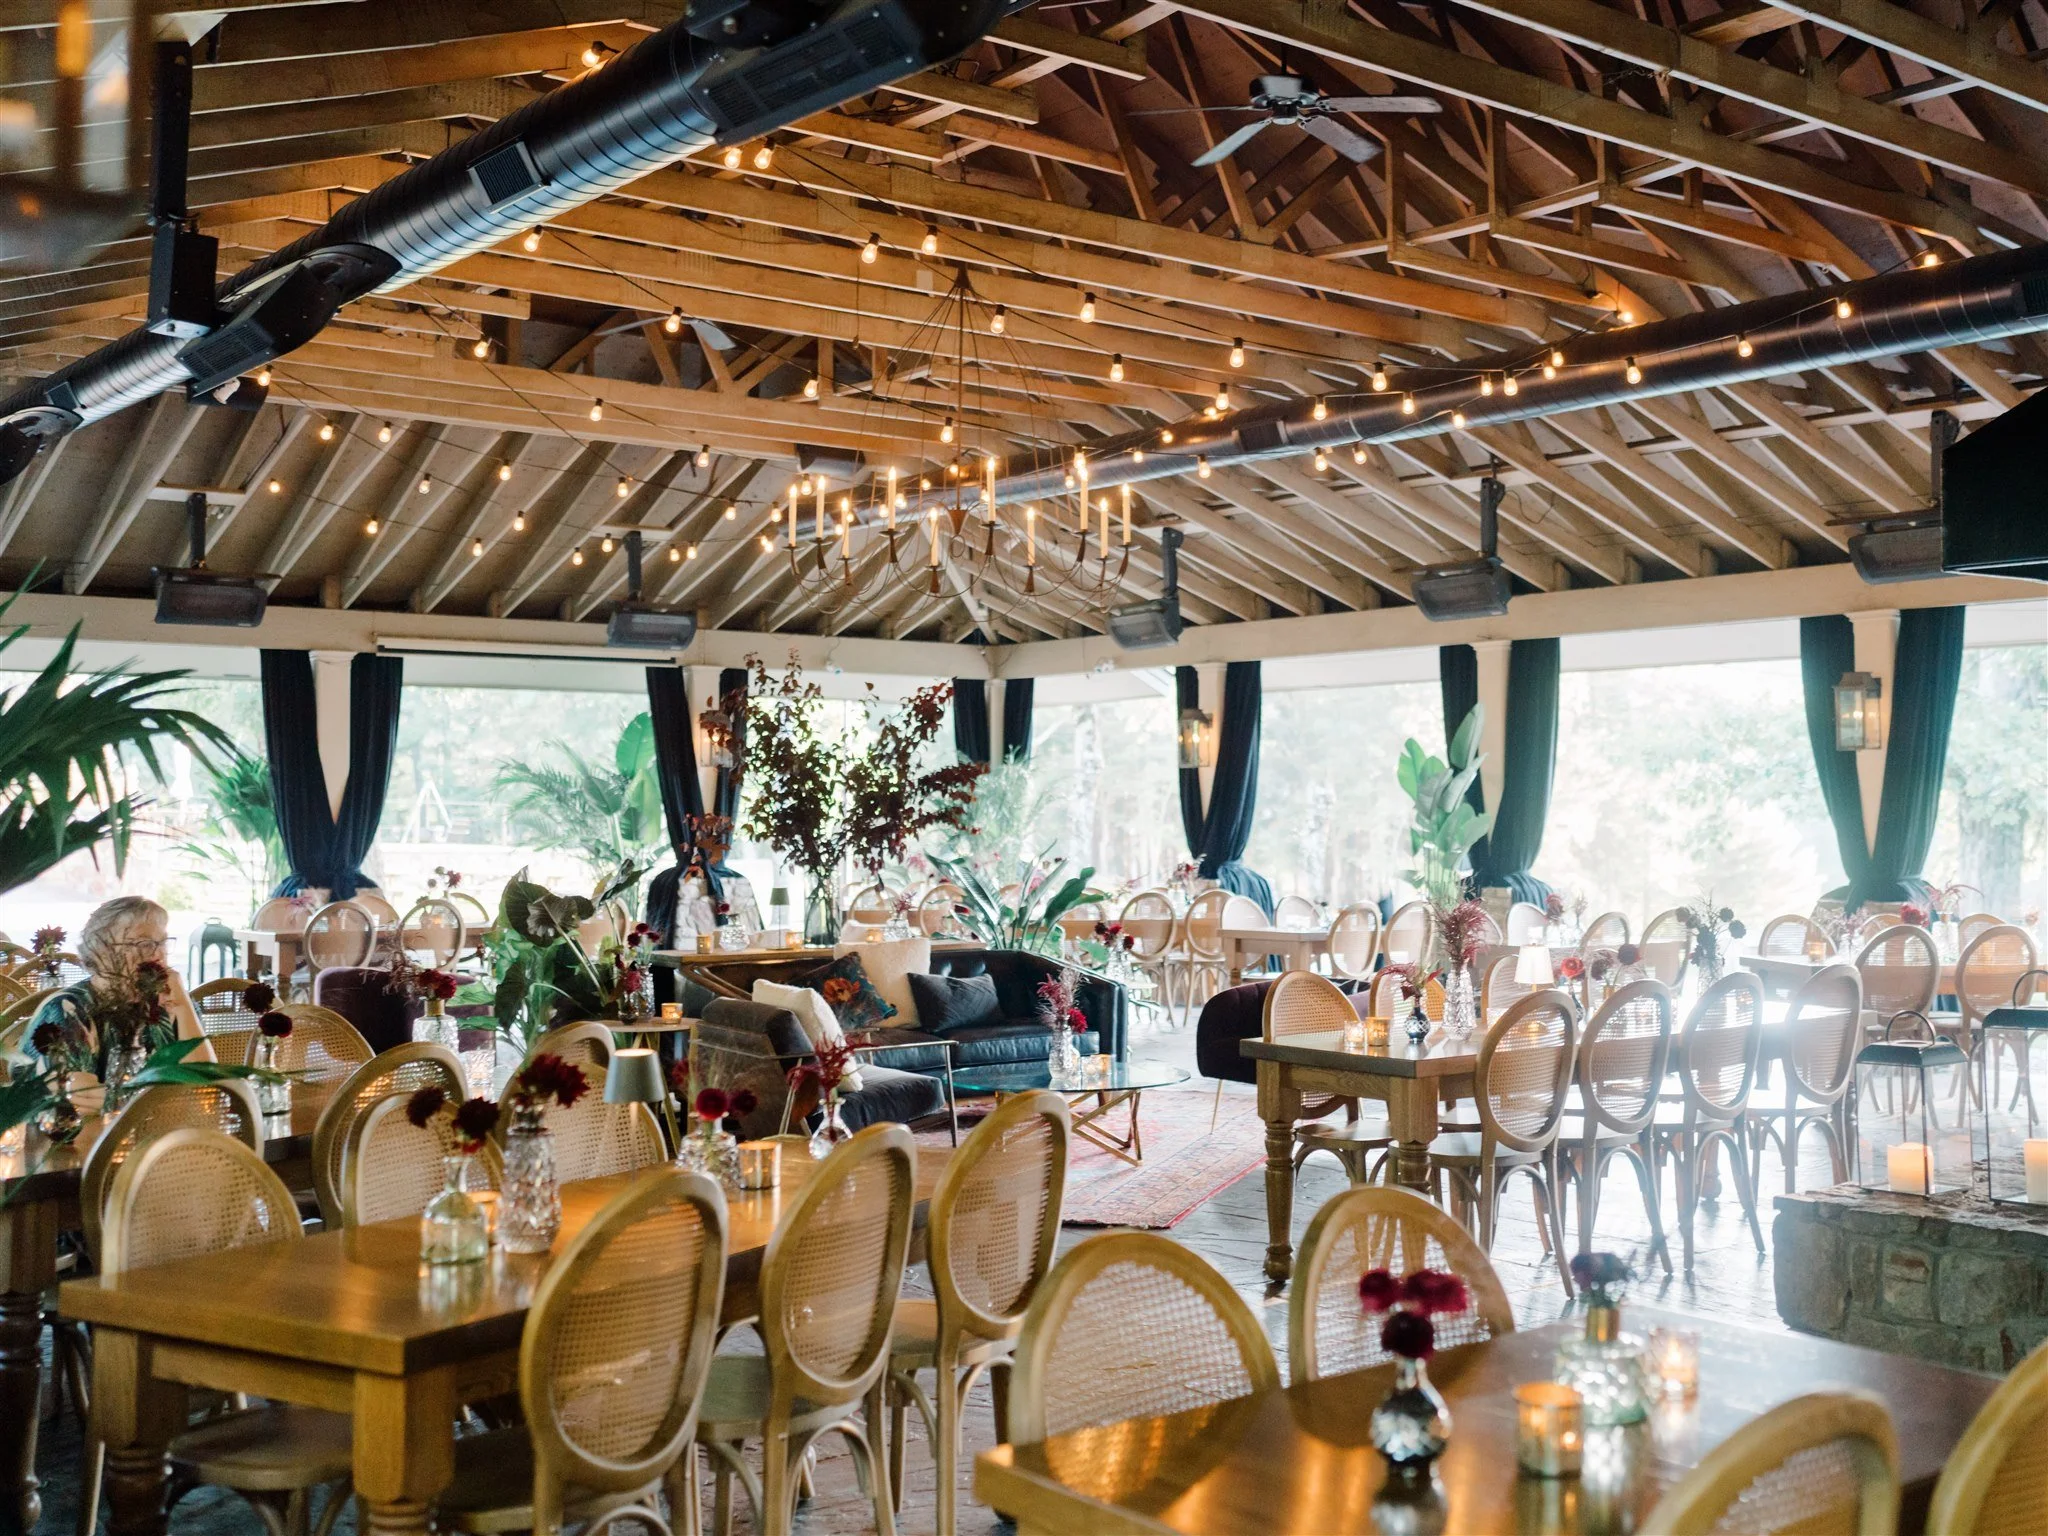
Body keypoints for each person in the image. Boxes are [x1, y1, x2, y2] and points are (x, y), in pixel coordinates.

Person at [20, 897, 202, 1076]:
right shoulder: (68, 1010)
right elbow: (74, 1097)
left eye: (162, 942)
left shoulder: (173, 1002)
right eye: (144, 943)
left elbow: (207, 1084)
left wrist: (183, 1007)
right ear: (101, 950)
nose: (158, 954)